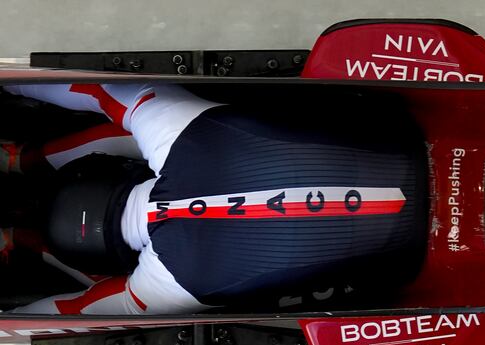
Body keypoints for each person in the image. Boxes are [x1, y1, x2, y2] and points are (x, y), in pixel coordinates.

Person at [0, 83, 423, 315]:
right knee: (132, 119)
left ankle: (18, 238)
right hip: (417, 136)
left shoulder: (168, 288)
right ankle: (21, 161)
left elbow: (75, 315)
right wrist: (12, 80)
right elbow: (99, 90)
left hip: (419, 257)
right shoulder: (176, 129)